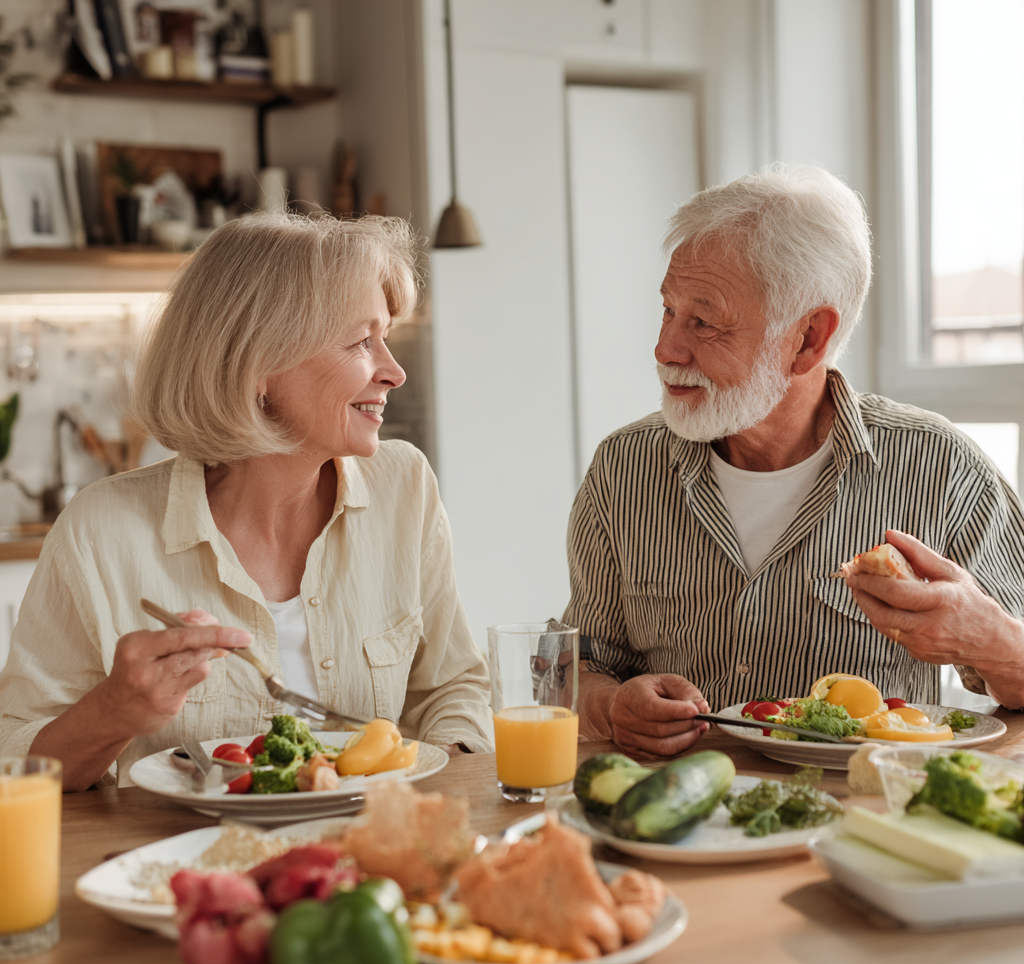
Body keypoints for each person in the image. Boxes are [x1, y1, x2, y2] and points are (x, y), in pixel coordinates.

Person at [0, 214, 492, 790]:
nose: (394, 371)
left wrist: (443, 775)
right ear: (259, 366)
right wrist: (112, 713)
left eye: (385, 337)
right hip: (179, 866)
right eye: (362, 341)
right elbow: (15, 764)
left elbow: (452, 686)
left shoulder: (404, 485)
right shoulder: (100, 530)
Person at [563, 166, 1024, 760]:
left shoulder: (942, 467)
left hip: (865, 828)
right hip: (683, 829)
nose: (666, 349)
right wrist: (610, 705)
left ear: (809, 338)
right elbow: (583, 666)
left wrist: (989, 640)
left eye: (703, 322)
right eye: (668, 311)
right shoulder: (623, 469)